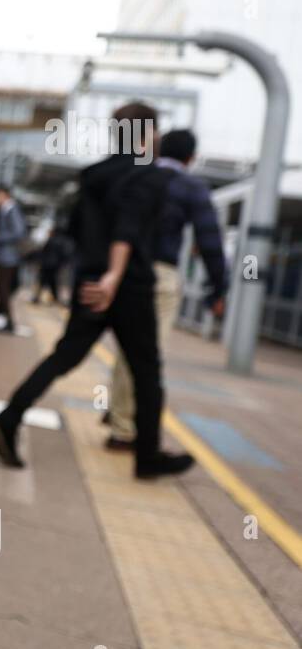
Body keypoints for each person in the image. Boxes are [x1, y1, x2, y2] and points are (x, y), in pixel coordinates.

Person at [0, 102, 193, 479]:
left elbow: (77, 229)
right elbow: (127, 226)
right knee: (146, 370)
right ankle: (148, 456)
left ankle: (9, 417)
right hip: (125, 285)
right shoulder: (148, 175)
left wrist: (97, 273)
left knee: (65, 355)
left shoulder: (93, 175)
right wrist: (114, 274)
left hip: (91, 281)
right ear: (148, 134)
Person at [105, 129, 228, 450]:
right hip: (159, 274)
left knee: (126, 348)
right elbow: (210, 241)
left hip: (122, 268)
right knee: (146, 353)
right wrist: (218, 290)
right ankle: (125, 429)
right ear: (191, 157)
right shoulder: (191, 187)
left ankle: (117, 412)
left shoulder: (138, 176)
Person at [0, 185, 26, 332]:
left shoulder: (11, 209)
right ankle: (1, 318)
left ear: (3, 194)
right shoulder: (4, 210)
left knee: (4, 289)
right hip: (6, 256)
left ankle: (9, 323)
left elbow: (18, 232)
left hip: (7, 257)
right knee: (4, 289)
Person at [34, 226, 72, 305]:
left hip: (47, 265)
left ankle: (37, 297)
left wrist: (40, 261)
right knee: (53, 282)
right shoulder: (63, 241)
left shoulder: (51, 240)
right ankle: (55, 299)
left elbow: (43, 252)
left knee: (43, 281)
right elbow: (65, 255)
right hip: (56, 266)